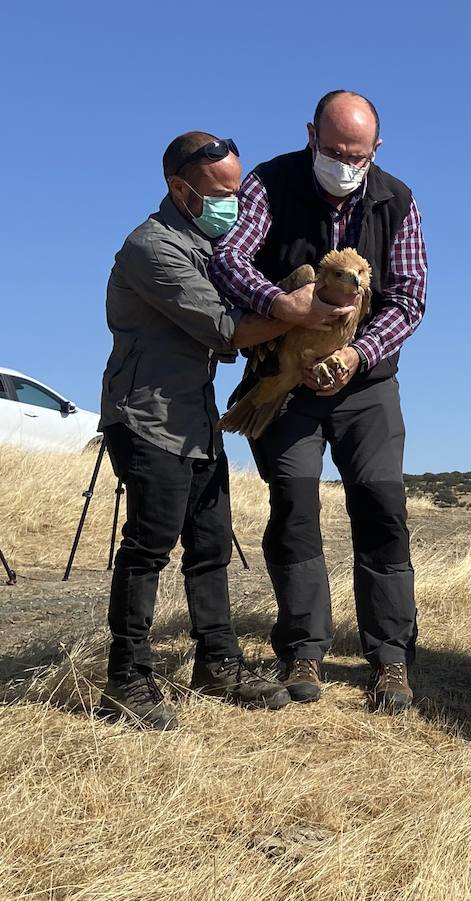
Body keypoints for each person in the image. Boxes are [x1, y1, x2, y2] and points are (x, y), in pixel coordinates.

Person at [210, 90, 428, 714]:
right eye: (332, 151)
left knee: (382, 509)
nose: (344, 164)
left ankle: (390, 658)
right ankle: (303, 646)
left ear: (375, 150)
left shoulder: (399, 199)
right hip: (282, 382)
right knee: (294, 509)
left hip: (367, 385)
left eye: (356, 155)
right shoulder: (269, 183)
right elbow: (229, 258)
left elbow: (410, 298)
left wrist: (356, 355)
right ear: (310, 135)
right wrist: (284, 307)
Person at [99, 131, 313, 729]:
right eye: (221, 193)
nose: (234, 206)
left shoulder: (207, 247)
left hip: (195, 420)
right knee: (148, 549)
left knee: (211, 545)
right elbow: (227, 330)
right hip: (148, 418)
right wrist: (301, 313)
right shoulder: (153, 248)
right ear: (179, 188)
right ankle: (127, 680)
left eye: (239, 193)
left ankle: (217, 663)